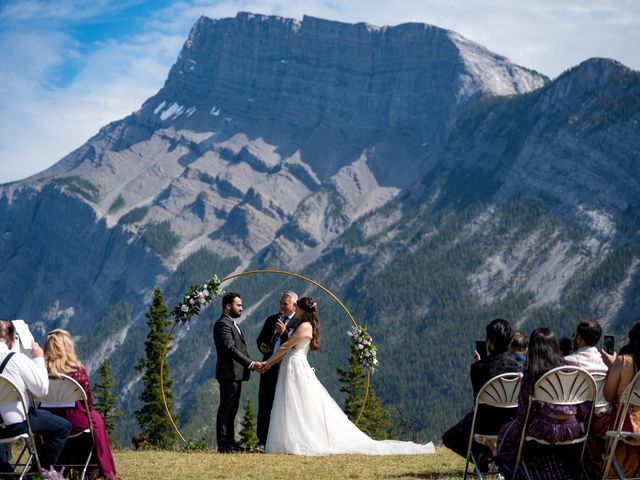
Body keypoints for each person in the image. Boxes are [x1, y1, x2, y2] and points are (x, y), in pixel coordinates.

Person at [257, 297, 435, 455]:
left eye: (297, 309)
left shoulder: (305, 327)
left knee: (300, 403)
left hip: (296, 367)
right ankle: (290, 440)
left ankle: (303, 439)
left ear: (303, 311)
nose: (294, 311)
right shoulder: (302, 325)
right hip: (291, 366)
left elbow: (285, 346)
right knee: (291, 402)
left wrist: (268, 363)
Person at [495, 327, 590, 479]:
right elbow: (584, 409)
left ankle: (517, 473)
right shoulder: (573, 369)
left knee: (506, 432)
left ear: (532, 349)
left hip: (542, 429)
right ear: (555, 346)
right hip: (573, 429)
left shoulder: (533, 373)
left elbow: (523, 415)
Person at [442, 318, 524, 471]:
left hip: (485, 423)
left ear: (490, 343)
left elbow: (478, 402)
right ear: (509, 342)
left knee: (449, 437)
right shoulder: (522, 366)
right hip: (515, 422)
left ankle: (483, 455)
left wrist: (481, 363)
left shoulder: (478, 368)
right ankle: (498, 456)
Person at [42, 329, 119, 480]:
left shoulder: (40, 371)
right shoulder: (77, 371)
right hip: (75, 421)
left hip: (47, 421)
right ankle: (103, 469)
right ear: (68, 347)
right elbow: (88, 403)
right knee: (95, 418)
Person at [0, 320, 71, 472]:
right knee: (63, 427)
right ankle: (37, 473)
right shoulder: (16, 359)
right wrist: (38, 358)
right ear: (12, 339)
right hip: (15, 424)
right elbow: (42, 390)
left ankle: (5, 471)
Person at [213, 292, 259, 453]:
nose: (241, 308)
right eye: (238, 305)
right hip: (228, 373)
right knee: (226, 408)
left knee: (232, 408)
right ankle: (224, 444)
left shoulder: (232, 323)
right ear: (228, 306)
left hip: (236, 373)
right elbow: (230, 348)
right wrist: (251, 363)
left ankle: (231, 442)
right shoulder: (223, 324)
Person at [594, 319, 640, 478]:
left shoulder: (623, 362)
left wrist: (613, 367)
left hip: (624, 427)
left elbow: (608, 396)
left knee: (593, 426)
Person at [255, 291, 298, 449]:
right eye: (280, 303)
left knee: (283, 404)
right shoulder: (272, 319)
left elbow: (295, 345)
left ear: (294, 305)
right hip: (268, 366)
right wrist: (262, 346)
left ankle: (283, 440)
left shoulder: (298, 322)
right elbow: (260, 338)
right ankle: (262, 440)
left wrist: (284, 333)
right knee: (265, 403)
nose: (281, 306)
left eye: (285, 304)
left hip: (286, 368)